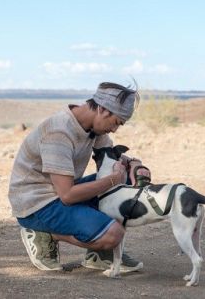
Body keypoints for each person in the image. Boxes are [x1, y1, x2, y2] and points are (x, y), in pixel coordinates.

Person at [8, 81, 142, 271]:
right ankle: (45, 234)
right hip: (37, 205)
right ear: (103, 110)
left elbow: (111, 156)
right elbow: (68, 195)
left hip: (60, 193)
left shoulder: (94, 127)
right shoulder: (58, 131)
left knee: (128, 177)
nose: (114, 130)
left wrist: (134, 164)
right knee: (113, 235)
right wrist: (113, 180)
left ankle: (99, 255)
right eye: (116, 123)